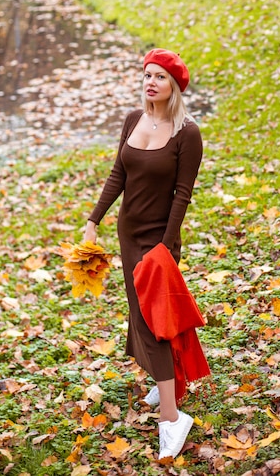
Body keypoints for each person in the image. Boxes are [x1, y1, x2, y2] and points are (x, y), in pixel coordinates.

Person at [83, 48, 204, 460]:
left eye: (160, 77)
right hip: (127, 235)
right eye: (147, 75)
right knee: (143, 317)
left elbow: (182, 194)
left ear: (174, 86)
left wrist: (165, 247)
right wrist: (94, 220)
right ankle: (165, 380)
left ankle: (172, 418)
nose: (150, 82)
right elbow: (119, 173)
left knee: (157, 325)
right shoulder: (133, 120)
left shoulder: (187, 133)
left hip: (157, 242)